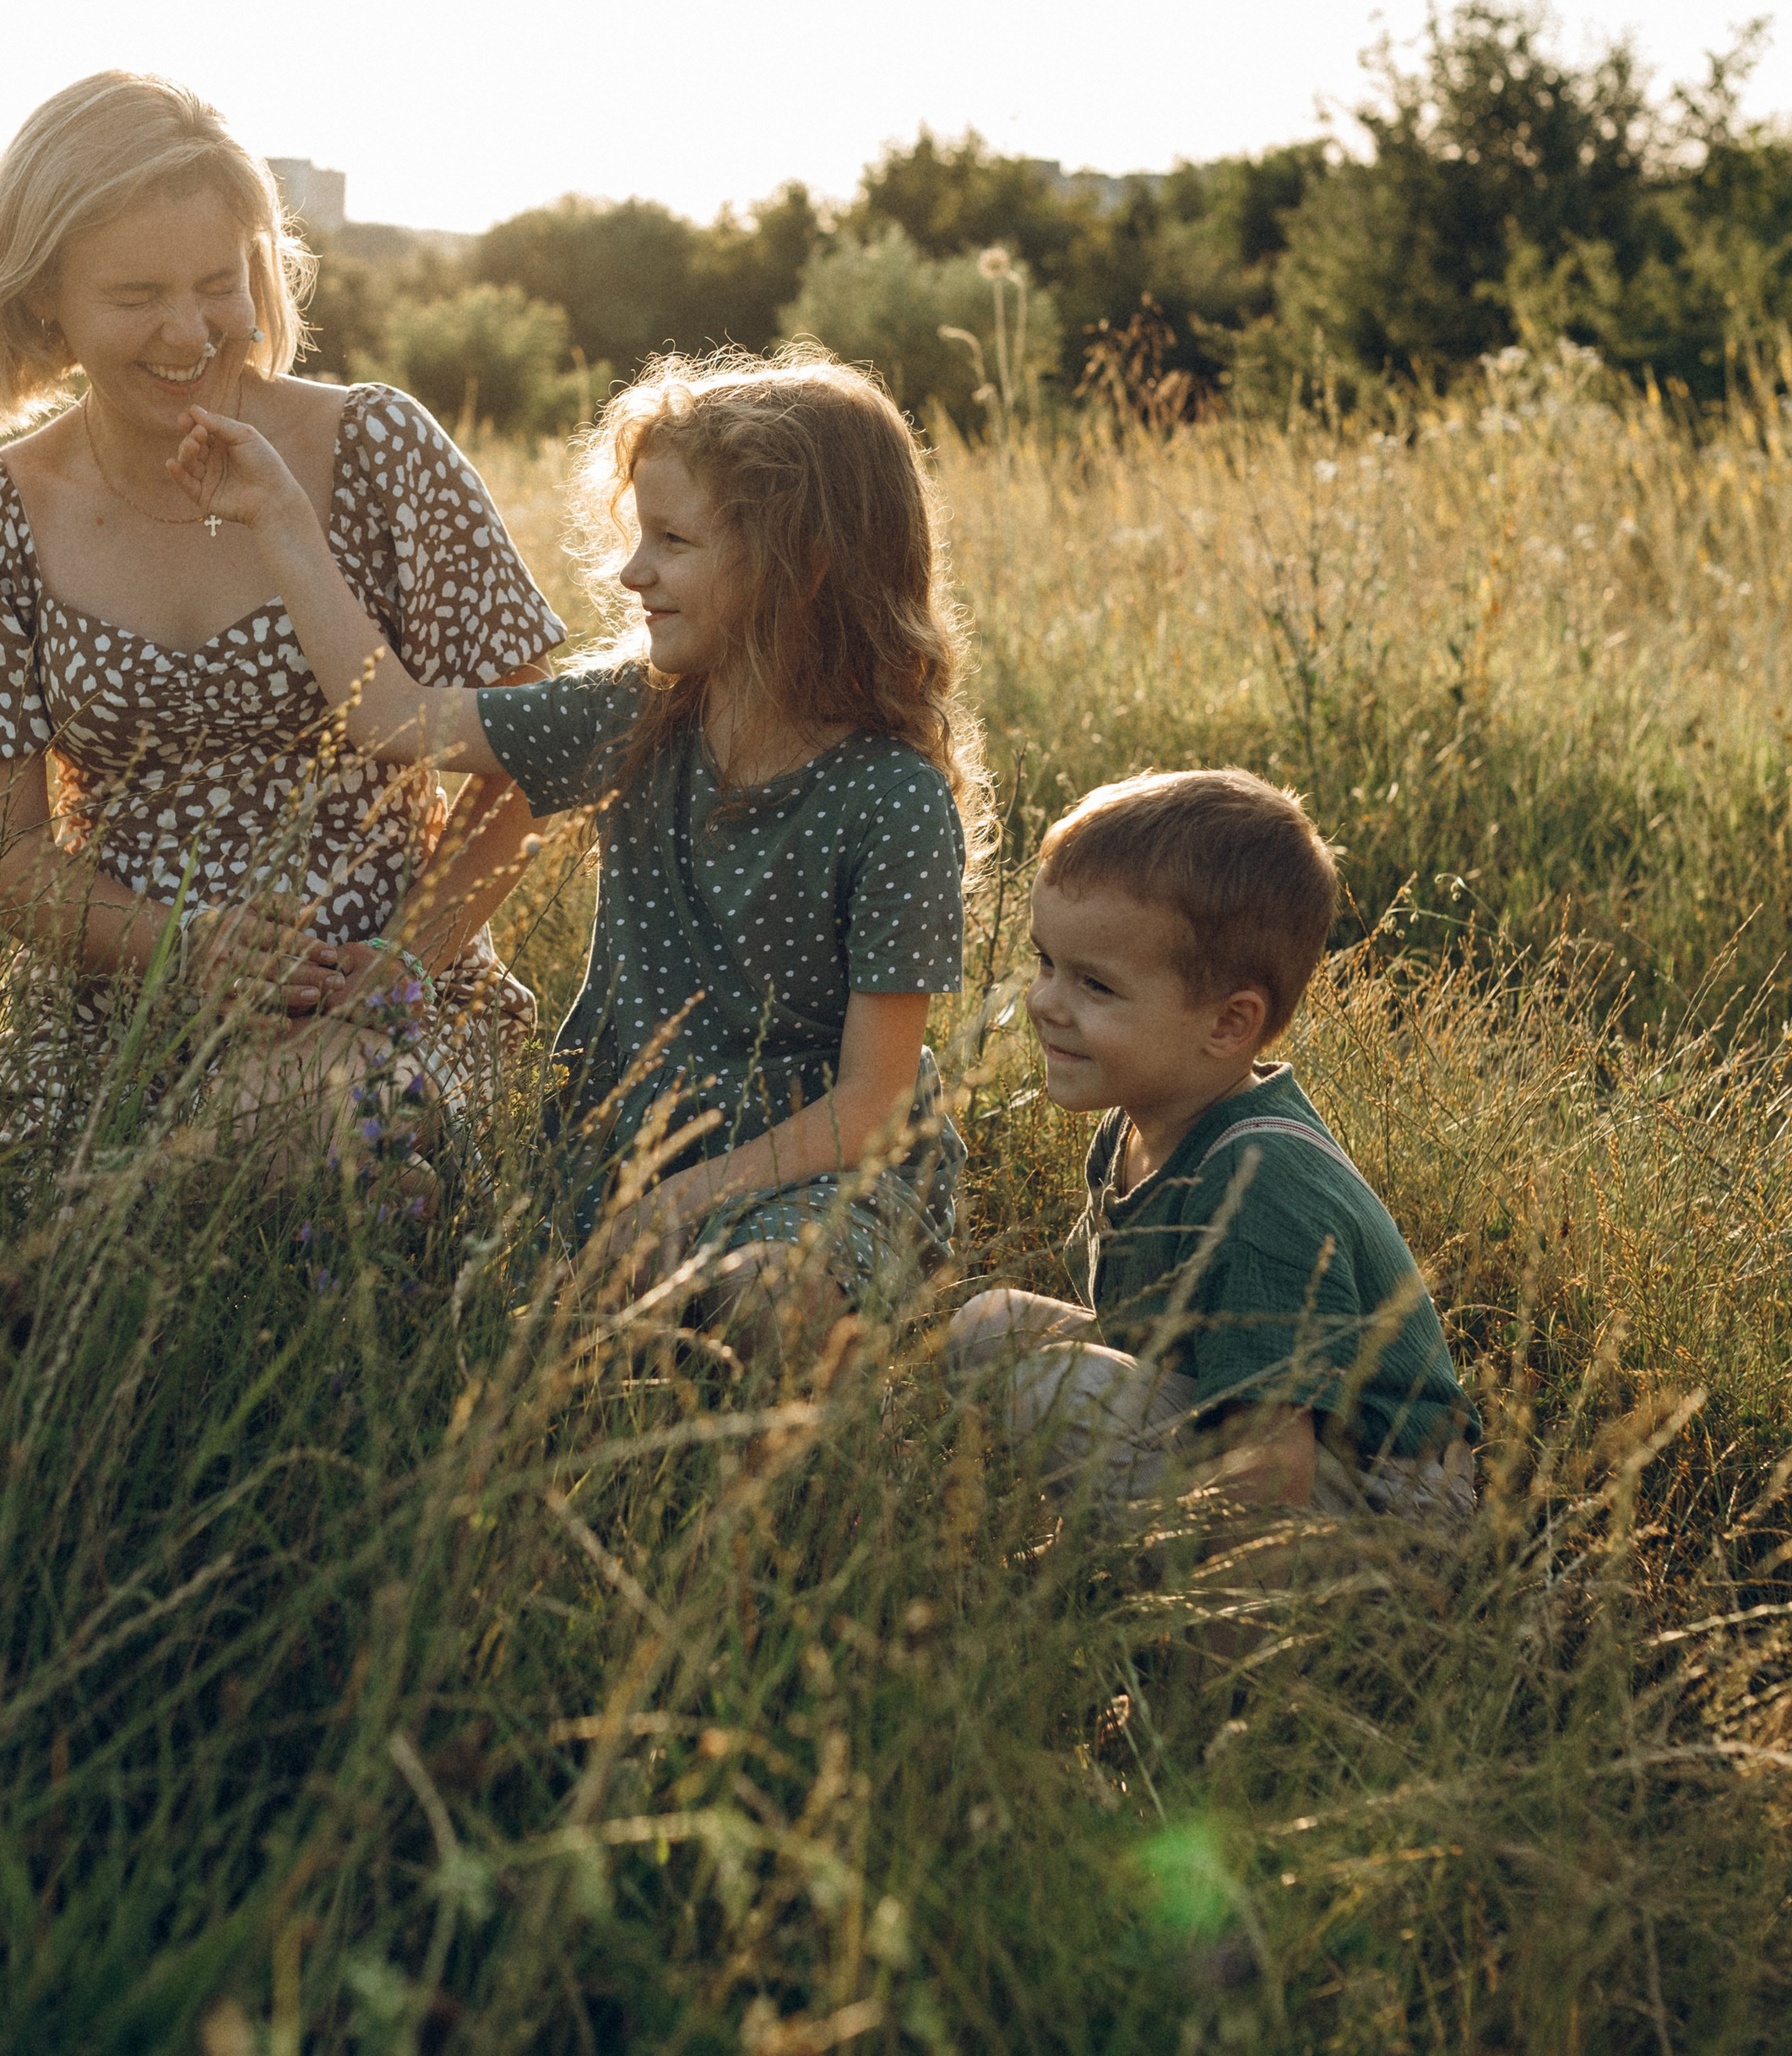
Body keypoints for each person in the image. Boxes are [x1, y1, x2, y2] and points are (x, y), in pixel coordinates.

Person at [159, 348, 985, 1351]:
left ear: (799, 564)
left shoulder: (891, 800)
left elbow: (872, 1106)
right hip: (612, 1152)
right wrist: (280, 518)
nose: (633, 573)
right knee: (473, 1289)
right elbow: (395, 715)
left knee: (765, 1305)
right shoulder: (634, 711)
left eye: (672, 541)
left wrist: (672, 1208)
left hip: (807, 1175)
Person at [0, 71, 562, 1145]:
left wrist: (404, 960)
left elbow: (529, 758)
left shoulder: (382, 448)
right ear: (41, 302)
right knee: (45, 1239)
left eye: (218, 283)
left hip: (390, 979)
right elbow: (0, 856)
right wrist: (184, 946)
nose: (189, 331)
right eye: (134, 296)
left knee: (319, 1132)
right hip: (112, 1002)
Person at [944, 770, 1480, 1524]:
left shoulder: (1260, 1189)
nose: (1042, 1003)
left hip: (1378, 1502)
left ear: (1229, 1025)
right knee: (989, 1330)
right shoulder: (1144, 1116)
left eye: (1094, 986)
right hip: (1236, 1418)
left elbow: (1270, 1469)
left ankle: (1218, 1597)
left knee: (1050, 1390)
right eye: (1045, 963)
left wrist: (1208, 1632)